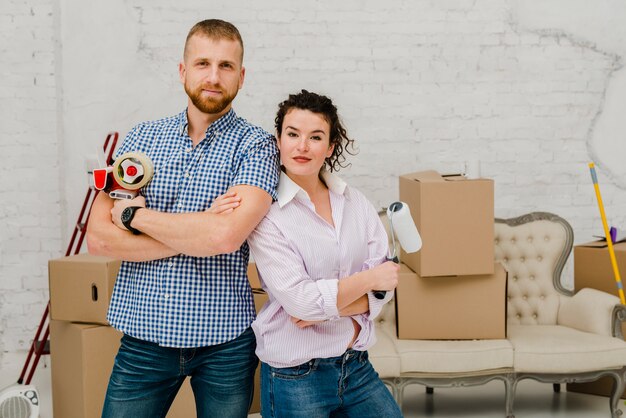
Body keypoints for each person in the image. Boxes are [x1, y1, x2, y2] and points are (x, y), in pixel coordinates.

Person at [86, 19, 280, 418]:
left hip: (225, 343)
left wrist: (134, 215)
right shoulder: (142, 138)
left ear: (241, 76)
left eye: (226, 66)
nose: (213, 76)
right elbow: (101, 240)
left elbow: (225, 239)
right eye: (203, 63)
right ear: (182, 70)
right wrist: (200, 227)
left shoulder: (257, 145)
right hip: (144, 336)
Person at [213, 90, 403, 417]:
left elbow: (385, 288)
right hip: (296, 375)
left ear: (329, 148)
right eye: (293, 134)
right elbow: (302, 301)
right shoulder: (267, 212)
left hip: (355, 365)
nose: (302, 146)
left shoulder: (355, 202)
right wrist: (369, 280)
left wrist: (324, 307)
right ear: (278, 141)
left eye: (315, 137)